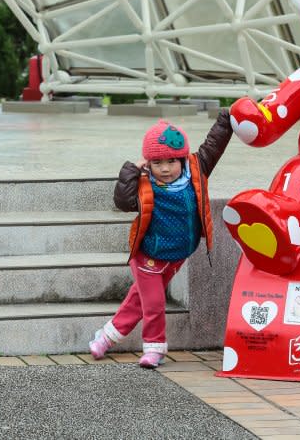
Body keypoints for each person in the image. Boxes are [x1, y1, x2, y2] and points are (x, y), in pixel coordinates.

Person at [89, 111, 232, 368]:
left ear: (182, 158)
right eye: (157, 163)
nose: (165, 169)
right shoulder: (145, 184)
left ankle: (106, 337)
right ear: (148, 163)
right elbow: (122, 202)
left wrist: (226, 120)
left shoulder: (196, 172)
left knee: (137, 301)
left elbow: (214, 145)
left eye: (171, 162)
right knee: (153, 303)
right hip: (148, 256)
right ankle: (154, 348)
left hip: (177, 254)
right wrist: (131, 171)